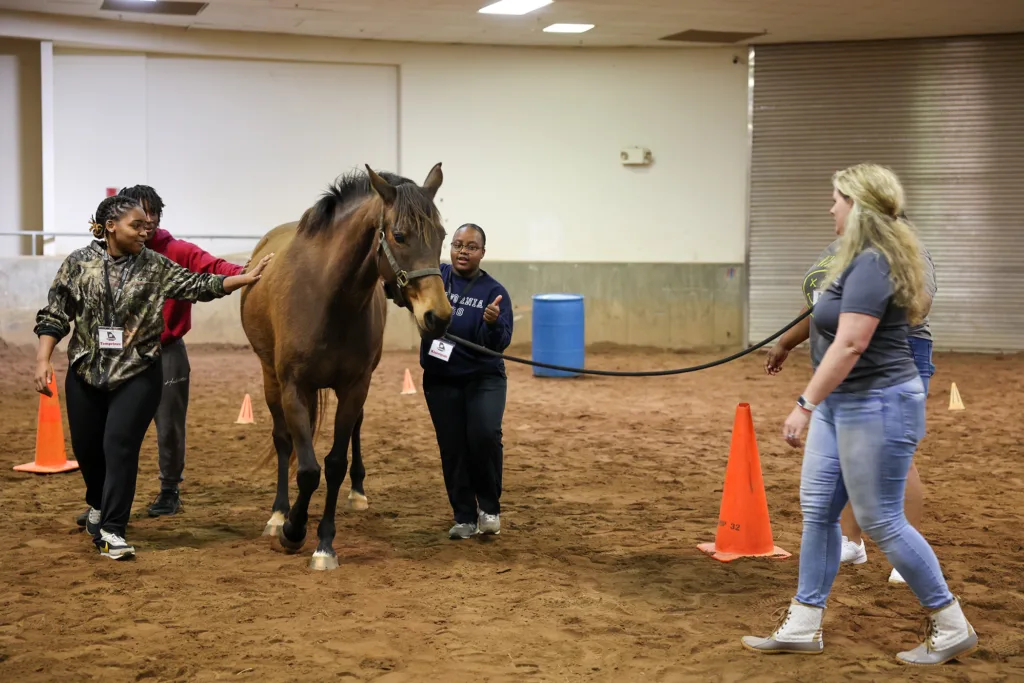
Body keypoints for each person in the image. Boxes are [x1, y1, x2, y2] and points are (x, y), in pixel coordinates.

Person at [743, 164, 977, 665]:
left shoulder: (876, 261)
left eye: (837, 199)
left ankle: (951, 622)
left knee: (882, 519)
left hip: (878, 402)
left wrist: (805, 403)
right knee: (819, 512)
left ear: (859, 206)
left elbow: (850, 342)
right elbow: (826, 324)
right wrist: (793, 354)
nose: (830, 207)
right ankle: (804, 622)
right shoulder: (850, 257)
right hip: (844, 403)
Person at [34, 195, 272, 560]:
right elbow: (54, 314)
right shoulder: (78, 264)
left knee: (119, 446)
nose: (146, 232)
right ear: (110, 226)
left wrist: (244, 278)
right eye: (137, 226)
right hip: (85, 373)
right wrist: (43, 359)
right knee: (88, 450)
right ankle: (97, 504)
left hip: (139, 372)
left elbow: (199, 285)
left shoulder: (156, 265)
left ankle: (113, 529)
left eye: (149, 226)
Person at [766, 218, 937, 585]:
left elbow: (918, 305)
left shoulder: (900, 250)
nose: (831, 210)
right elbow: (818, 306)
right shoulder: (835, 252)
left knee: (893, 454)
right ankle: (851, 541)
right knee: (845, 449)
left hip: (891, 356)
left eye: (840, 201)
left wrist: (861, 325)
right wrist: (786, 342)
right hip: (840, 356)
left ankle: (907, 556)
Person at [420, 223, 513, 540]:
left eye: (471, 246)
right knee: (452, 446)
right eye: (458, 245)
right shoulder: (437, 279)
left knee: (484, 435)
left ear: (482, 253)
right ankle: (463, 516)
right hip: (441, 379)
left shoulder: (494, 292)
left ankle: (489, 508)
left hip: (483, 378)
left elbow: (501, 342)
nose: (463, 251)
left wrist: (492, 323)